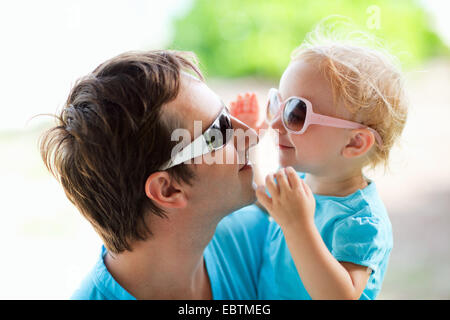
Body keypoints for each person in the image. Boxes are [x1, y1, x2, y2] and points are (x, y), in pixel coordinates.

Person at [39, 50, 267, 299]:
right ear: (167, 190)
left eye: (227, 112)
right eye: (218, 132)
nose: (250, 135)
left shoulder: (262, 235)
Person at [231, 27, 408, 299]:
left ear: (354, 143)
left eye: (296, 113)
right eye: (278, 104)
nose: (275, 123)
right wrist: (247, 146)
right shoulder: (297, 178)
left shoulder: (361, 221)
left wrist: (298, 226)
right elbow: (262, 197)